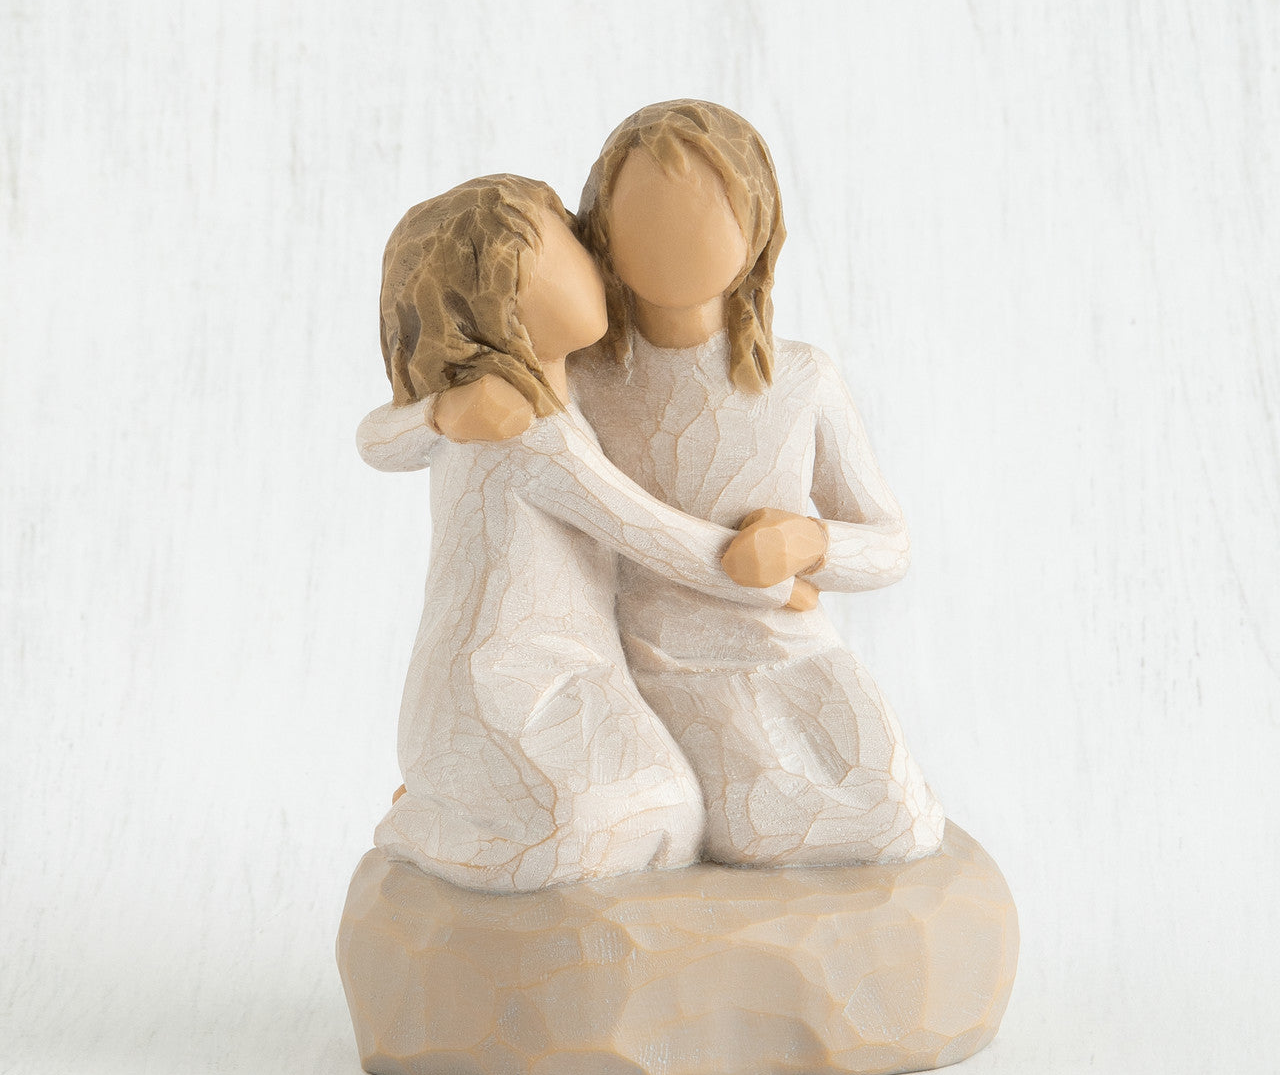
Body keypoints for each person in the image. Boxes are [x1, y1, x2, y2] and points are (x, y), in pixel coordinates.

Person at [404, 103, 947, 867]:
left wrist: (809, 543)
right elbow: (444, 450)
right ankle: (485, 793)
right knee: (758, 828)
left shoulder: (803, 380)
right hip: (663, 664)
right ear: (601, 227)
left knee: (899, 819)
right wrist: (439, 412)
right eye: (642, 209)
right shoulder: (583, 380)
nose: (674, 230)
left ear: (757, 222)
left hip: (796, 653)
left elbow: (890, 545)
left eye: (708, 205)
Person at [360, 174, 814, 893]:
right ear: (504, 292)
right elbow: (647, 530)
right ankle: (426, 822)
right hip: (498, 685)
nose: (595, 252)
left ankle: (463, 804)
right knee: (600, 830)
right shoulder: (524, 431)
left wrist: (438, 414)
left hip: (576, 674)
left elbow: (382, 436)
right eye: (567, 241)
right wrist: (769, 584)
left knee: (669, 813)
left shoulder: (545, 404)